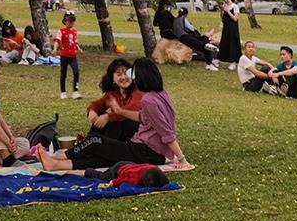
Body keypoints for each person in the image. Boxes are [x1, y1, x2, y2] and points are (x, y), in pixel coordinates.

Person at [36, 56, 189, 170]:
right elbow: (144, 117)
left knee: (95, 140)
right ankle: (55, 164)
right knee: (106, 160)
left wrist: (182, 159)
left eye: (130, 74)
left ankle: (57, 156)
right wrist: (117, 110)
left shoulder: (147, 99)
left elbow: (166, 132)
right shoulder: (161, 93)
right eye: (119, 74)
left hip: (147, 151)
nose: (127, 77)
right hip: (145, 149)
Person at [86, 58, 143, 141]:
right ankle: (88, 145)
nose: (123, 77)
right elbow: (97, 105)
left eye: (126, 73)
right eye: (119, 74)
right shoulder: (113, 93)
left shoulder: (138, 91)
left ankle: (101, 149)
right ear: (113, 79)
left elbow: (131, 108)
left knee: (115, 122)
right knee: (102, 115)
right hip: (118, 134)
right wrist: (92, 111)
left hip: (136, 135)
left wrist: (108, 117)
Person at [52, 9, 81, 98]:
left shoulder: (74, 32)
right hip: (64, 55)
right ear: (65, 21)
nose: (70, 23)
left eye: (72, 21)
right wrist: (55, 49)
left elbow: (75, 42)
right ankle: (63, 92)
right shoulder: (61, 31)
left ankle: (75, 91)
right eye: (69, 21)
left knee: (76, 72)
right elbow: (57, 40)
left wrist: (78, 48)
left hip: (72, 56)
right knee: (63, 74)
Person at [217, 0, 242, 71]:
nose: (226, 0)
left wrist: (227, 11)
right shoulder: (225, 6)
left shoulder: (235, 6)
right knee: (224, 43)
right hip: (226, 28)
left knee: (233, 44)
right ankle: (220, 59)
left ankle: (233, 62)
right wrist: (222, 11)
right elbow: (223, 19)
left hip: (233, 29)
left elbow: (235, 18)